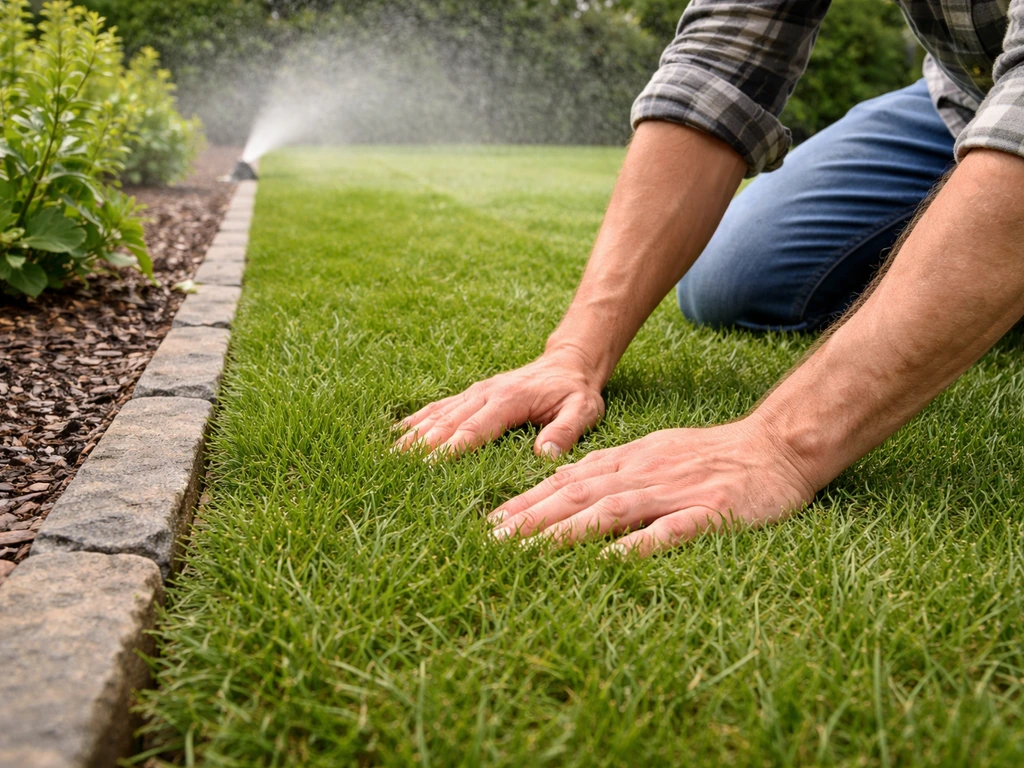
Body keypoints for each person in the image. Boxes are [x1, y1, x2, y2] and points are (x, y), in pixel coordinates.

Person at [395, 0, 1024, 557]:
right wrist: (575, 352)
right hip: (958, 96)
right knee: (735, 279)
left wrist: (782, 444)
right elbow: (723, 53)